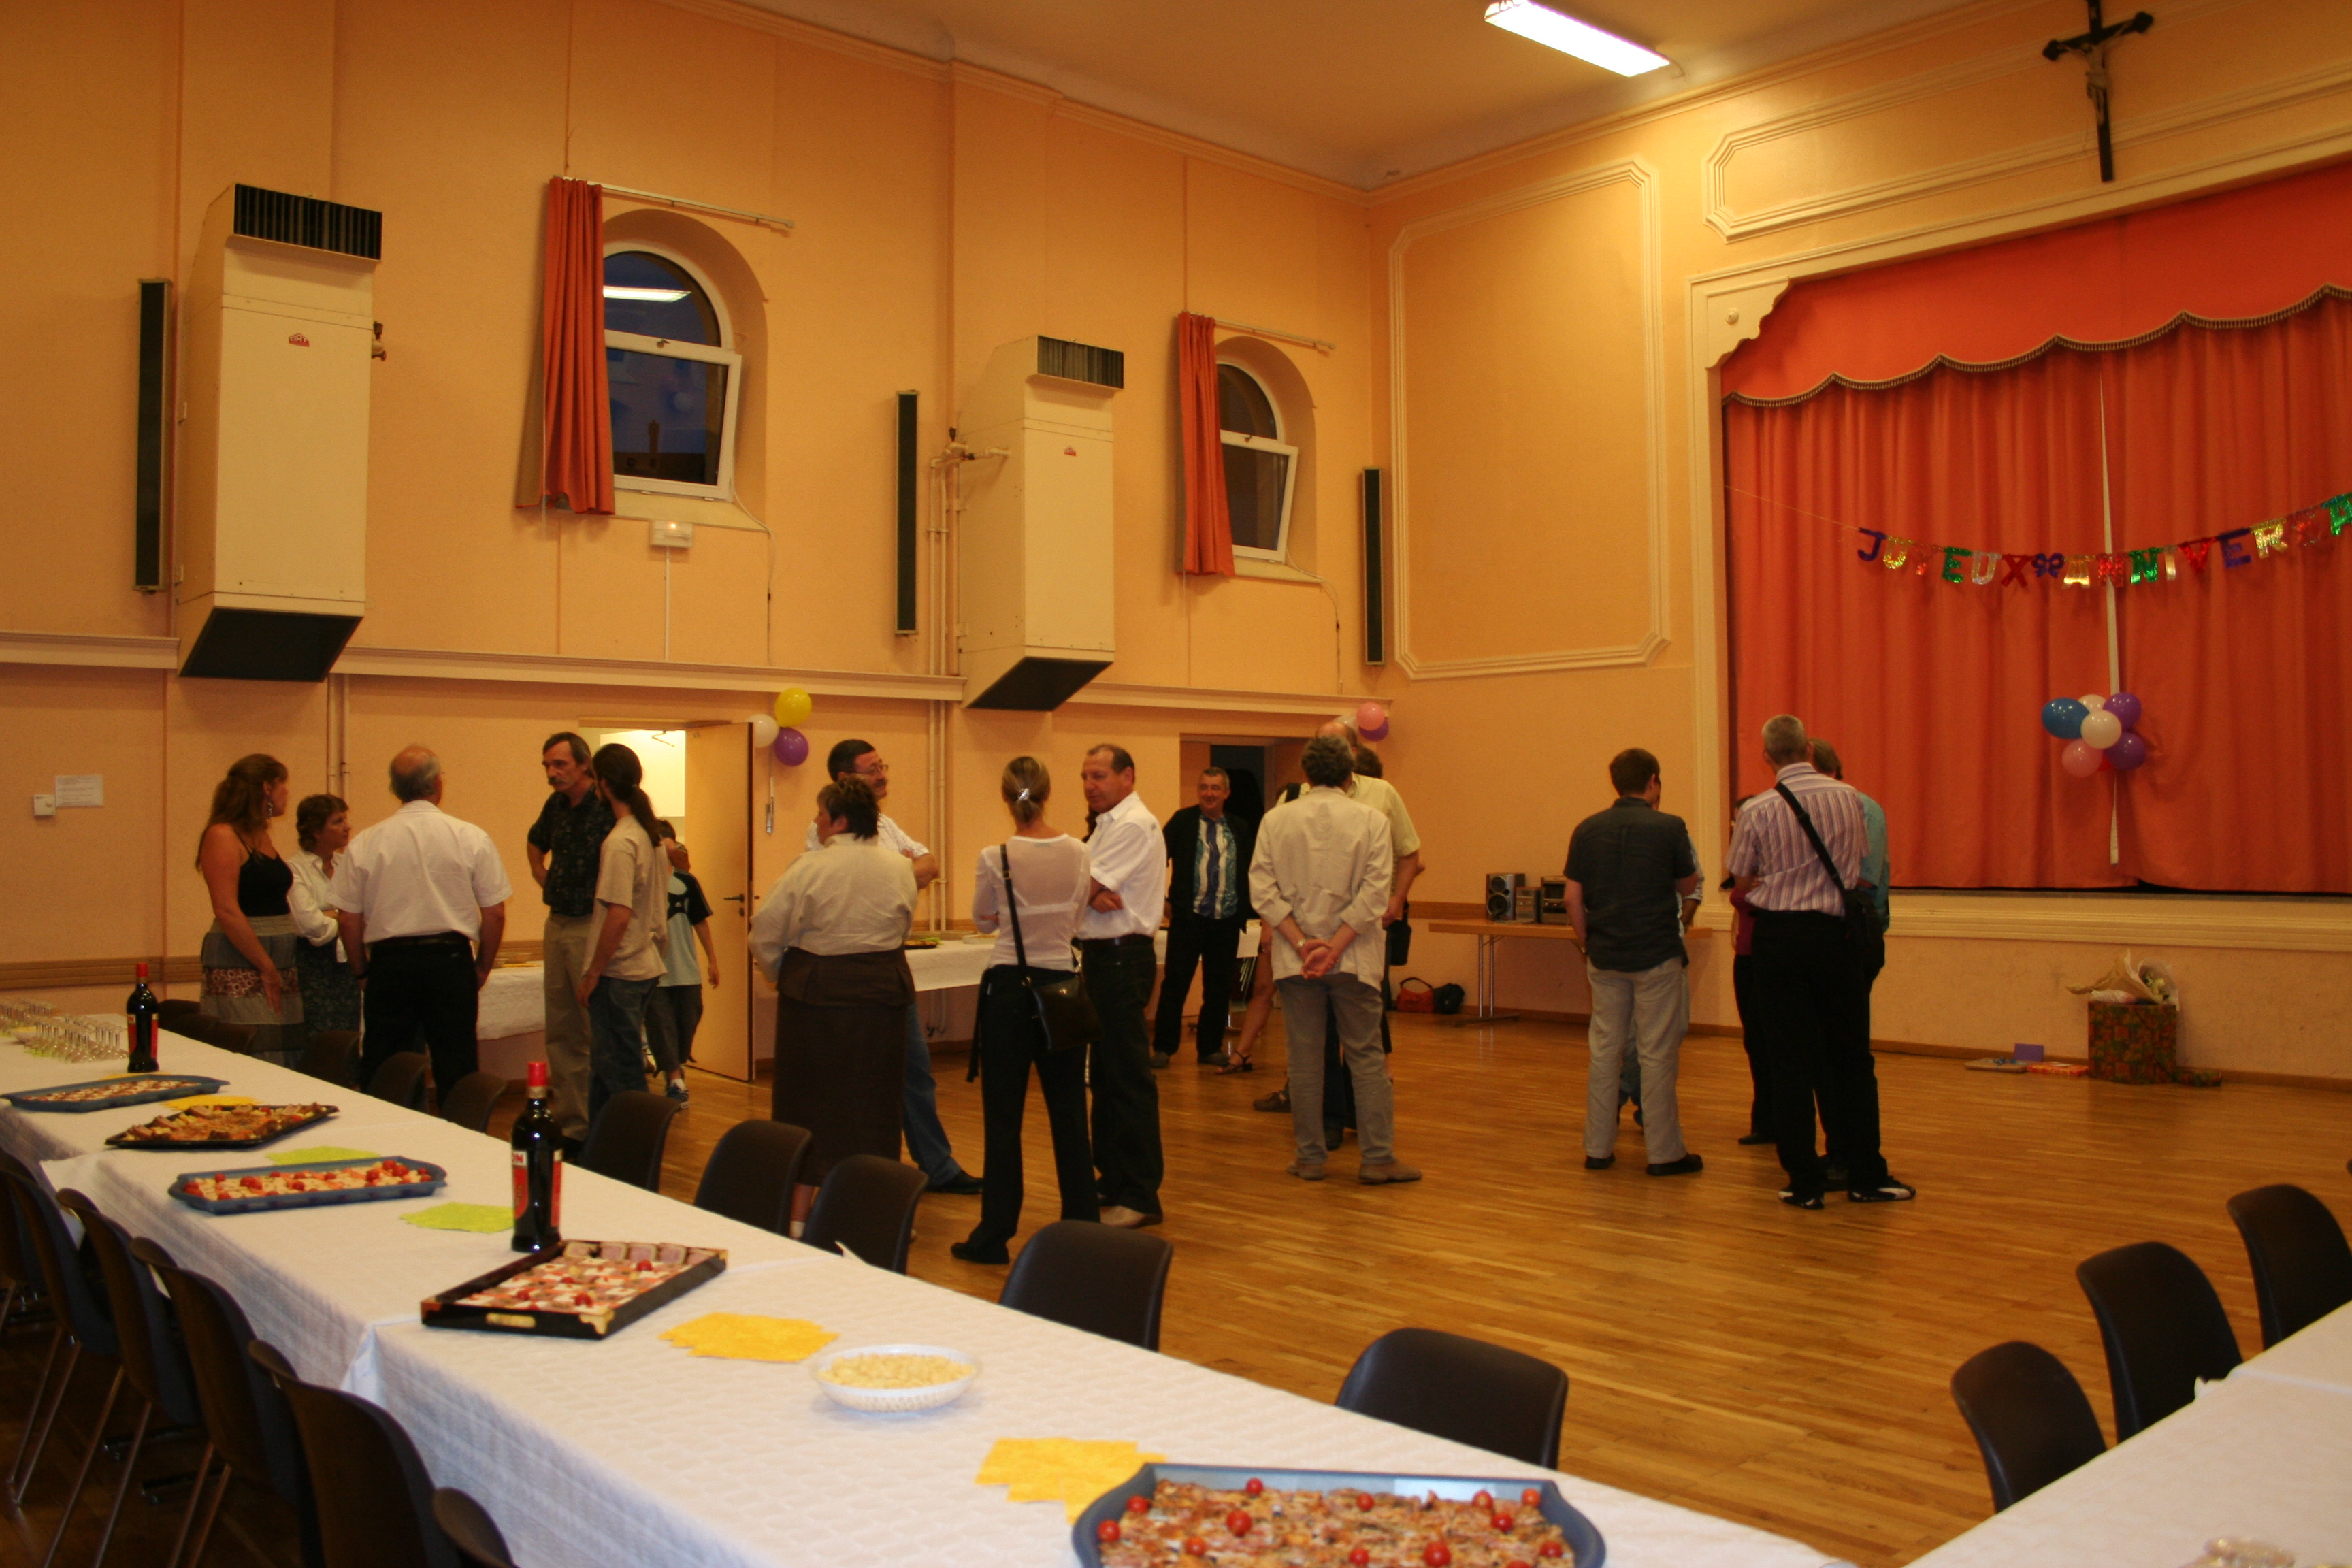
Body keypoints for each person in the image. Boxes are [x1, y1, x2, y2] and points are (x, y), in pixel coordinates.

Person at [1726, 714, 1912, 1209]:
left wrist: (1776, 880)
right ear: (1808, 748)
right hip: (1835, 938)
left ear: (1766, 757)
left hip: (1779, 941)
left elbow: (1740, 878)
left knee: (1789, 1061)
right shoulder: (1850, 799)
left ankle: (1804, 1182)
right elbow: (1856, 867)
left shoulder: (1758, 809)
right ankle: (1866, 1173)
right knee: (1852, 1058)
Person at [804, 738, 980, 1196]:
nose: (882, 776)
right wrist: (901, 873)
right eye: (872, 770)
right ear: (845, 780)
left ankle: (937, 1167)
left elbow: (930, 864)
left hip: (891, 965)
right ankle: (859, 1176)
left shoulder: (886, 824)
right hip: (848, 970)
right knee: (858, 1081)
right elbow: (859, 887)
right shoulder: (821, 832)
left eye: (883, 766)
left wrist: (898, 874)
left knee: (915, 1070)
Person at [1248, 734, 1418, 1183]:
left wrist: (1304, 944)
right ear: (1350, 776)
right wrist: (1336, 946)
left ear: (1305, 775)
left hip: (1297, 960)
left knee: (1304, 1060)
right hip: (1355, 957)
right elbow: (1375, 895)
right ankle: (1378, 1158)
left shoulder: (1276, 820)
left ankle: (1309, 1158)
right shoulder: (1370, 819)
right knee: (1366, 1056)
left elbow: (1262, 891)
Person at [949, 757, 1099, 1264]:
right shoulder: (1079, 852)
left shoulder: (995, 857)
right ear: (1048, 793)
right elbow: (1076, 916)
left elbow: (982, 921)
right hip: (1061, 985)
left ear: (1006, 797)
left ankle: (994, 1234)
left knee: (1004, 1118)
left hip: (1011, 989)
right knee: (1069, 1114)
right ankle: (1082, 1226)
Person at [753, 776, 919, 1222]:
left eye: (821, 814)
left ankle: (797, 1217)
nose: (816, 820)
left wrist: (784, 974)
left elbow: (765, 932)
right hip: (881, 999)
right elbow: (901, 928)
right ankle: (875, 1217)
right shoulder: (900, 869)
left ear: (840, 821)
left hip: (816, 1001)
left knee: (807, 1106)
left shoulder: (808, 867)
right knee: (875, 1107)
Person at [333, 747, 511, 1092]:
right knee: (457, 1066)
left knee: (385, 1069)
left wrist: (362, 972)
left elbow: (348, 920)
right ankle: (460, 1124)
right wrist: (481, 968)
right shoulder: (470, 837)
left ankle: (383, 1125)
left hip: (390, 964)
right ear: (437, 783)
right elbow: (495, 912)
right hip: (450, 961)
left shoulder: (367, 841)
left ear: (394, 788)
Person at [1563, 748, 1704, 1177]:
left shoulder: (1587, 829)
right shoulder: (1670, 827)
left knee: (1605, 1050)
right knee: (1656, 1053)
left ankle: (1597, 1148)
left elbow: (1572, 899)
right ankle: (1664, 1153)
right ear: (1653, 781)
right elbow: (1689, 885)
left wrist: (1588, 945)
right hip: (1656, 954)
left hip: (1606, 956)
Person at [1078, 744, 1166, 1229]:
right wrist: (1087, 892)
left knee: (1127, 1077)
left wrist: (1085, 891)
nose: (1090, 785)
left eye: (1099, 776)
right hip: (1102, 957)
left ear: (1128, 777)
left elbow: (1078, 884)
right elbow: (1081, 884)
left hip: (1122, 957)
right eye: (1086, 777)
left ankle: (1140, 1193)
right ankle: (1113, 1178)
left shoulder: (1133, 824)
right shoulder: (1107, 825)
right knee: (1107, 1076)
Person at [574, 745, 670, 1132]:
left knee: (622, 1073)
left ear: (603, 783)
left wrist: (593, 972)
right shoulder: (650, 836)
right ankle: (597, 1150)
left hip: (621, 971)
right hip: (642, 963)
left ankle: (636, 1148)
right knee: (605, 1069)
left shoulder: (621, 842)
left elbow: (618, 915)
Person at [527, 732, 612, 1147]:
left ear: (583, 764)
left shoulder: (606, 807)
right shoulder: (555, 805)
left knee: (593, 1028)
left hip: (591, 925)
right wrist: (539, 873)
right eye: (547, 765)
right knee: (561, 1030)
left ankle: (604, 1126)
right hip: (557, 922)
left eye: (559, 764)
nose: (552, 772)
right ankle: (573, 1127)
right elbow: (535, 841)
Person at [195, 755, 309, 1061]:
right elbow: (226, 909)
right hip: (245, 956)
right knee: (252, 1043)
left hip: (279, 957)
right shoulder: (223, 834)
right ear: (267, 788)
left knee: (283, 1046)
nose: (287, 793)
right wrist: (266, 966)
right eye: (283, 785)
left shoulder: (261, 835)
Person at [1153, 766, 1256, 1069]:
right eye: (1204, 788)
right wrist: (1162, 900)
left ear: (1226, 793)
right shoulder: (1182, 821)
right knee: (1175, 984)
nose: (1209, 794)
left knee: (1219, 988)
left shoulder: (1240, 828)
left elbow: (1253, 868)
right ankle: (1163, 1048)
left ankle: (1210, 1048)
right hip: (1189, 918)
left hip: (1226, 919)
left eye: (1215, 788)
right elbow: (1155, 860)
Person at [646, 821, 718, 1104]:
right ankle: (675, 1079)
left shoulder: (686, 882)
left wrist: (712, 960)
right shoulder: (642, 881)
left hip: (685, 968)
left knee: (689, 1018)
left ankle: (676, 1066)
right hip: (654, 970)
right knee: (660, 1023)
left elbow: (700, 922)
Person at [289, 793, 361, 1038]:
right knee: (321, 1040)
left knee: (351, 1038)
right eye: (338, 821)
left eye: (345, 819)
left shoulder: (348, 865)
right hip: (315, 968)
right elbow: (312, 926)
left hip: (351, 963)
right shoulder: (294, 869)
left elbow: (368, 914)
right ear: (316, 831)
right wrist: (348, 916)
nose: (347, 826)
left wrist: (332, 914)